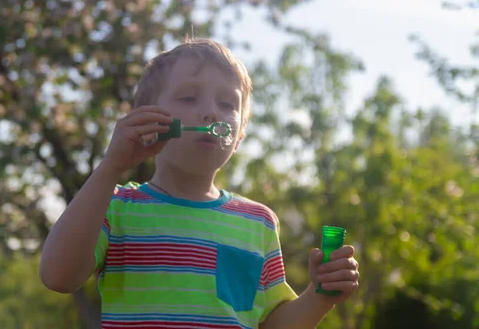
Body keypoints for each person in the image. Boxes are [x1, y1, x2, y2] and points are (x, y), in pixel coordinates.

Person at [39, 38, 360, 328]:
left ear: (239, 136)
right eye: (189, 97)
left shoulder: (257, 222)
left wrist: (320, 297)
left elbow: (270, 325)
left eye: (227, 104)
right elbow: (58, 275)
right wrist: (110, 167)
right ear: (146, 119)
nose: (210, 112)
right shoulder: (116, 207)